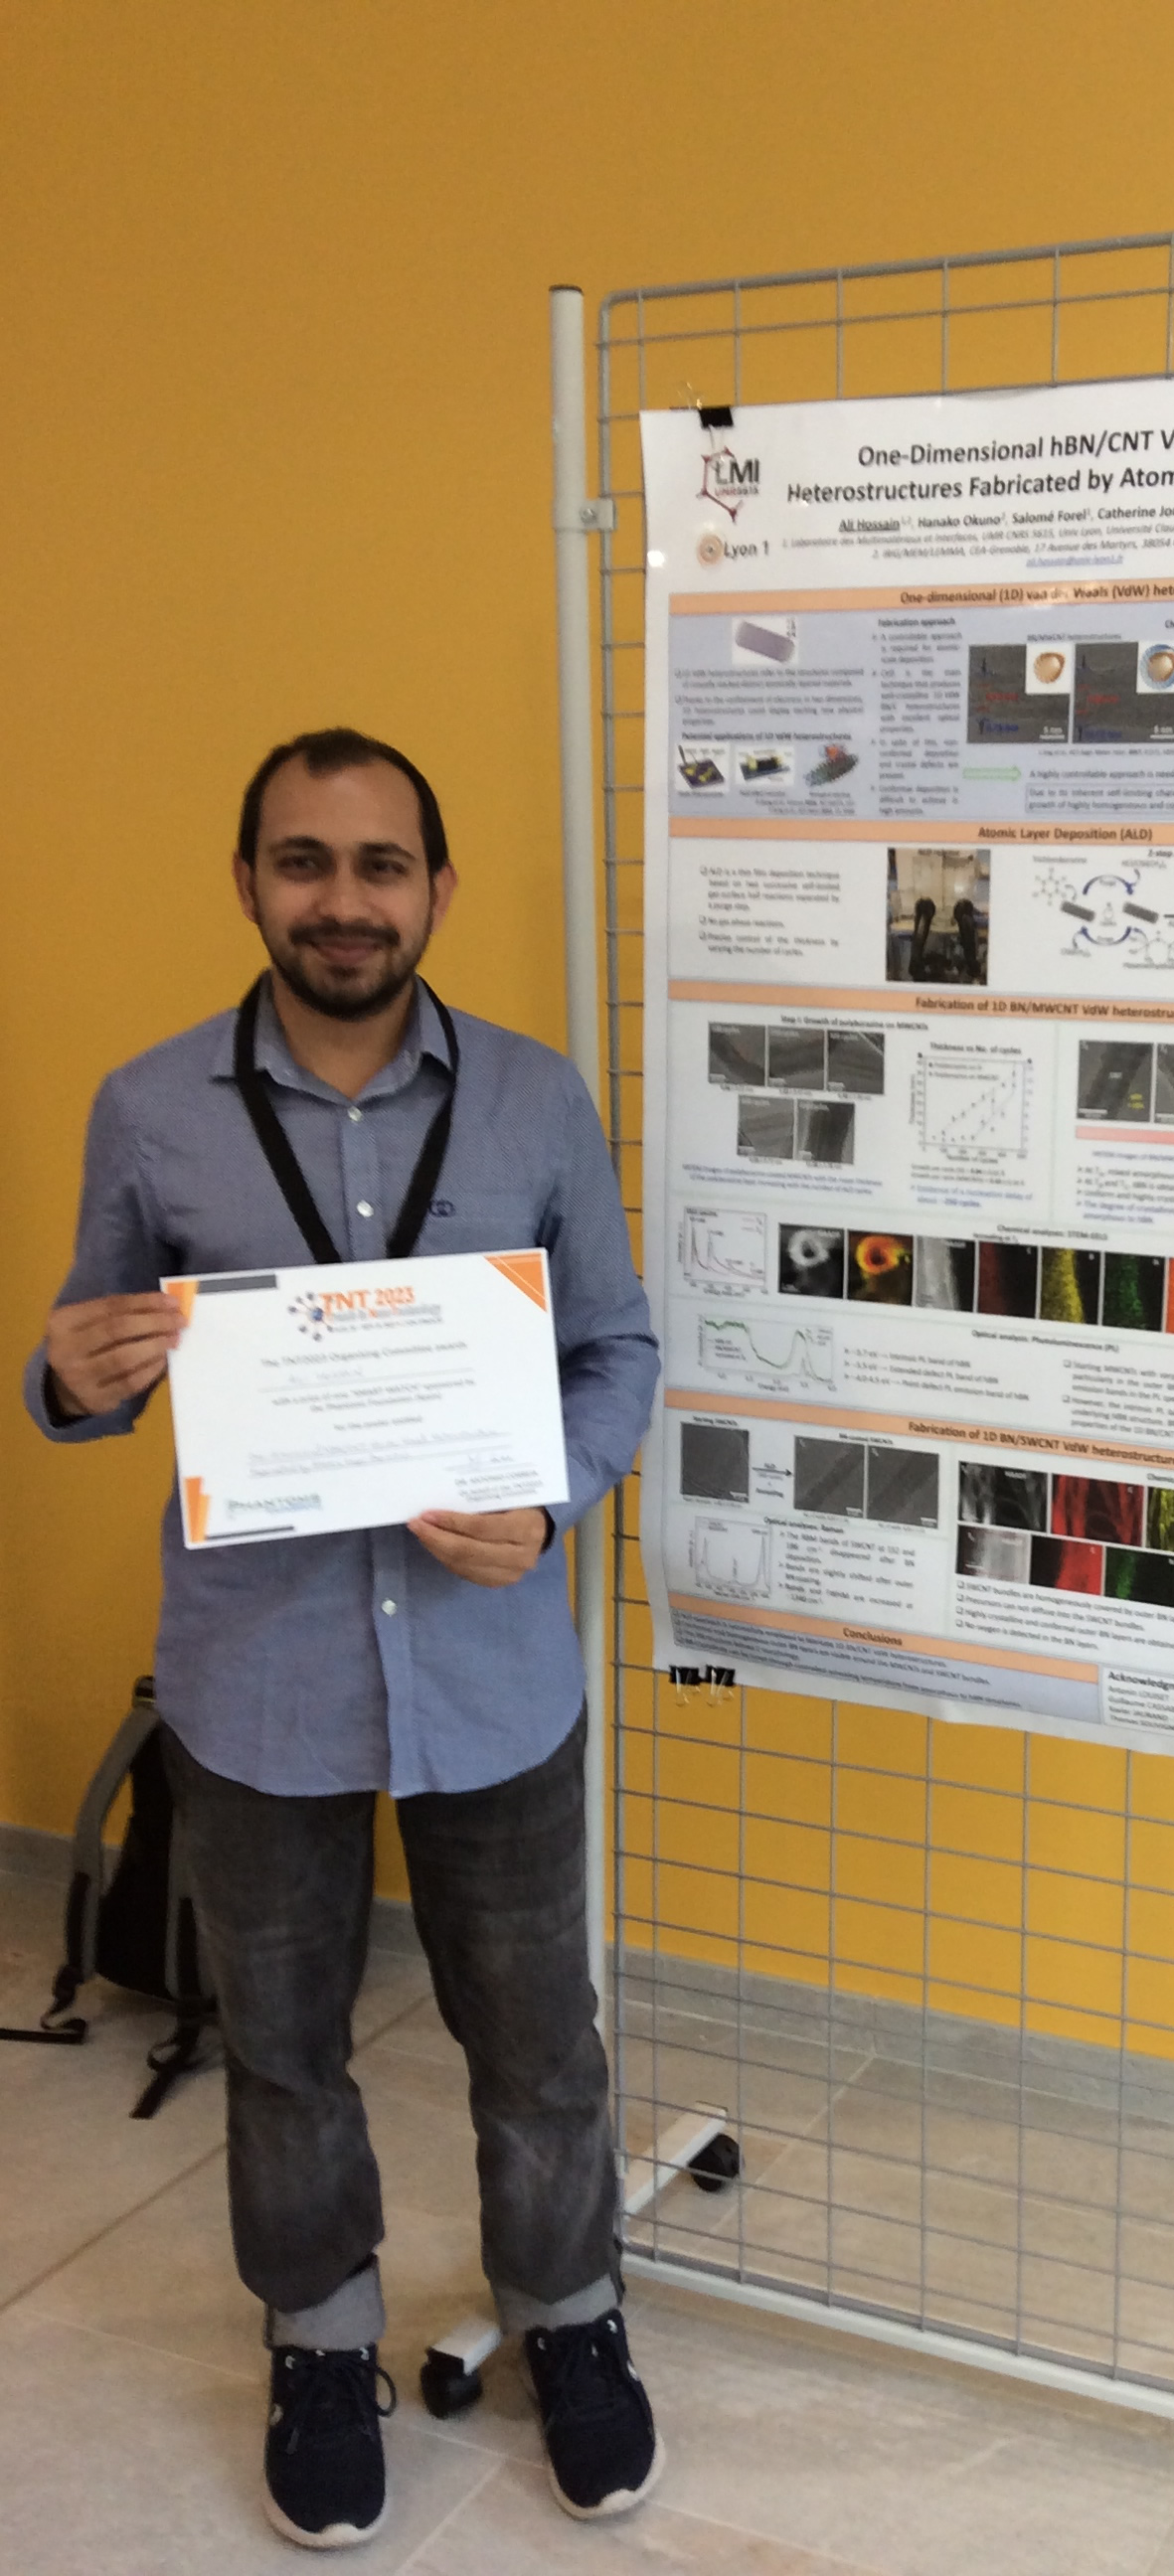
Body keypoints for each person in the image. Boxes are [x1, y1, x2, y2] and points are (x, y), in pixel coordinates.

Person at [23, 727, 661, 2549]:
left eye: (381, 864)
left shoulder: (534, 1100)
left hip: (491, 1671)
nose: (344, 900)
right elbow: (86, 1366)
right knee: (285, 2045)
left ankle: (569, 2310)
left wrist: (552, 1501)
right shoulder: (152, 1108)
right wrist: (68, 1378)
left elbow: (615, 1348)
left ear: (435, 890)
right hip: (259, 1683)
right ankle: (317, 2337)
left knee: (538, 2041)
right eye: (303, 861)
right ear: (248, 883)